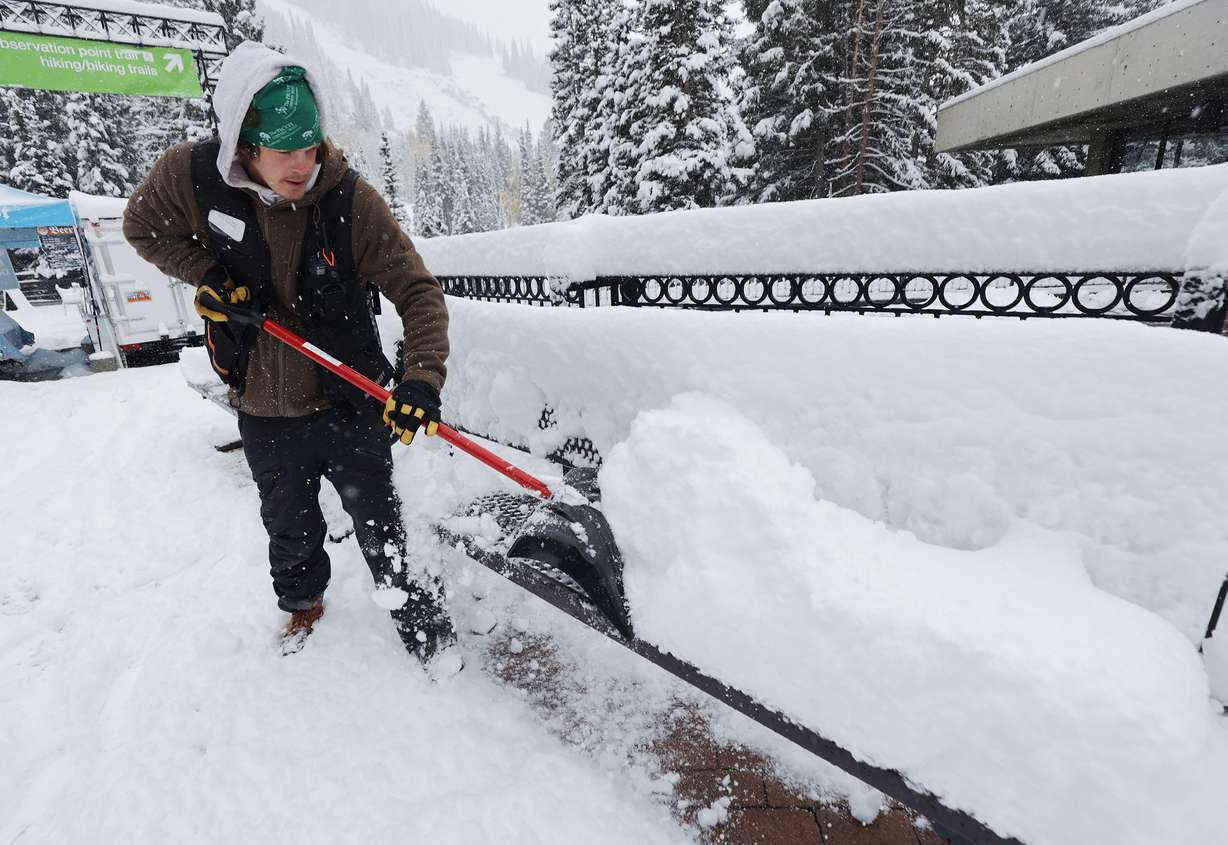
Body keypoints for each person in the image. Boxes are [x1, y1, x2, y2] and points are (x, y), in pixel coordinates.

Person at [123, 41, 461, 677]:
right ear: (244, 144)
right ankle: (304, 607)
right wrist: (205, 274)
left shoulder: (348, 201)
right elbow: (142, 227)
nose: (302, 164)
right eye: (284, 150)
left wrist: (420, 378)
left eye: (311, 146)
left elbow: (418, 292)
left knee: (380, 522)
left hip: (351, 399)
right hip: (263, 403)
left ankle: (423, 625)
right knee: (289, 526)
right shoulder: (193, 178)